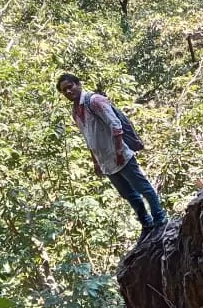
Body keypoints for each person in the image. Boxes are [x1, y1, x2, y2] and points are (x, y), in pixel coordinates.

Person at [57, 73, 167, 237]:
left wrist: (119, 152)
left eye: (70, 86)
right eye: (64, 90)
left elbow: (115, 125)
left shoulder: (94, 101)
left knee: (143, 187)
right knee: (128, 194)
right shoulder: (75, 112)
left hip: (120, 155)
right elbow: (88, 137)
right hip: (106, 161)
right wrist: (95, 162)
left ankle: (160, 219)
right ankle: (147, 223)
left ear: (78, 84)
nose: (68, 91)